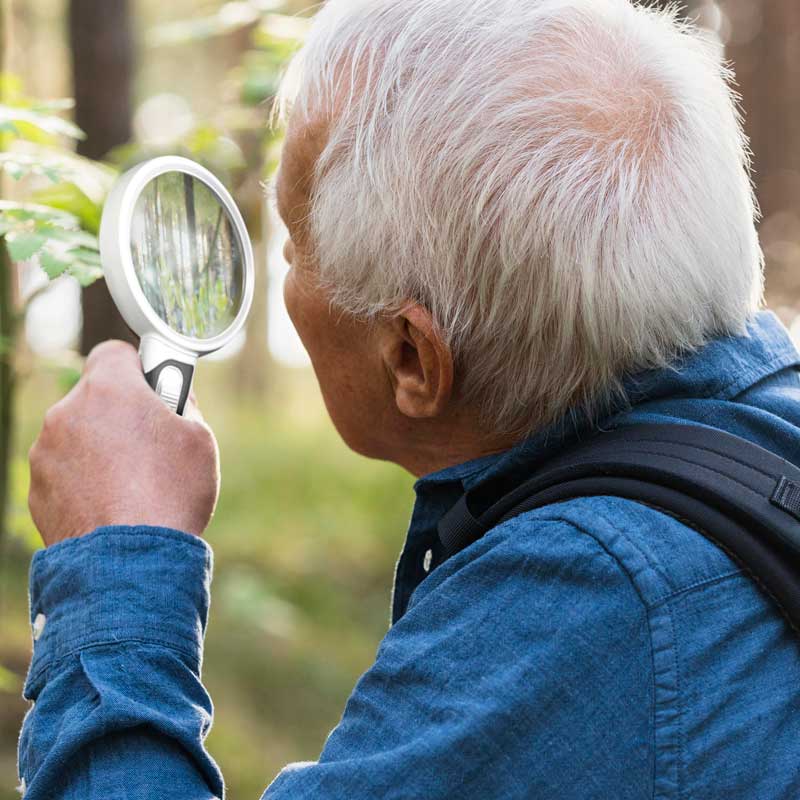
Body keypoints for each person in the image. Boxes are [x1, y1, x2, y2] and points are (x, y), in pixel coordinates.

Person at [17, 0, 800, 797]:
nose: (281, 268)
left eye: (296, 243)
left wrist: (116, 564)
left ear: (411, 358)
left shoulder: (576, 609)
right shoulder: (772, 426)